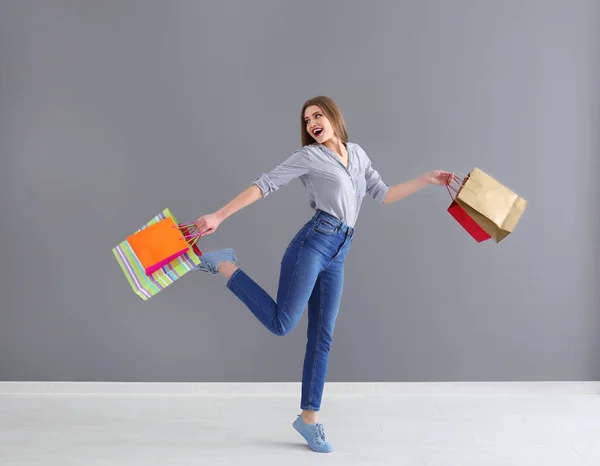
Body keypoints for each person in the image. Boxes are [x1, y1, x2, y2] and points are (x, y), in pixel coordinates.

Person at [192, 96, 452, 453]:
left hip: (340, 249)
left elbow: (384, 194)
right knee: (282, 323)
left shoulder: (357, 154)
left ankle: (309, 418)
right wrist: (220, 216)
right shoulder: (309, 157)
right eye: (307, 120)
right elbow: (264, 185)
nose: (313, 122)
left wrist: (425, 179)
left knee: (322, 336)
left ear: (333, 117)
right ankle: (224, 264)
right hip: (313, 243)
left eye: (318, 115)